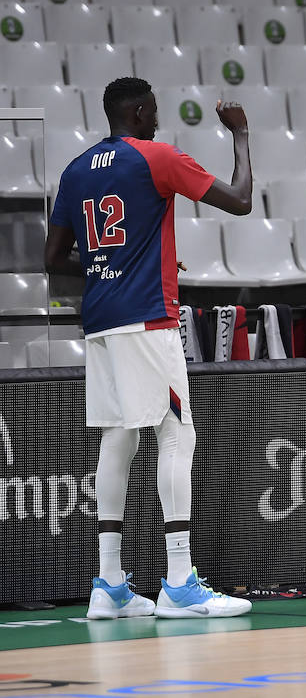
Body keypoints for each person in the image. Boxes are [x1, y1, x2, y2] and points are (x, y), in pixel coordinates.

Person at [45, 77, 253, 619]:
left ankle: (109, 585)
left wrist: (111, 266)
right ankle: (180, 583)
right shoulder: (155, 157)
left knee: (119, 438)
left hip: (101, 322)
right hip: (148, 321)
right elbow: (240, 201)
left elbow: (54, 259)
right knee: (175, 432)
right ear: (138, 113)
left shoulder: (74, 169)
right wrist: (241, 136)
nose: (157, 117)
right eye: (154, 110)